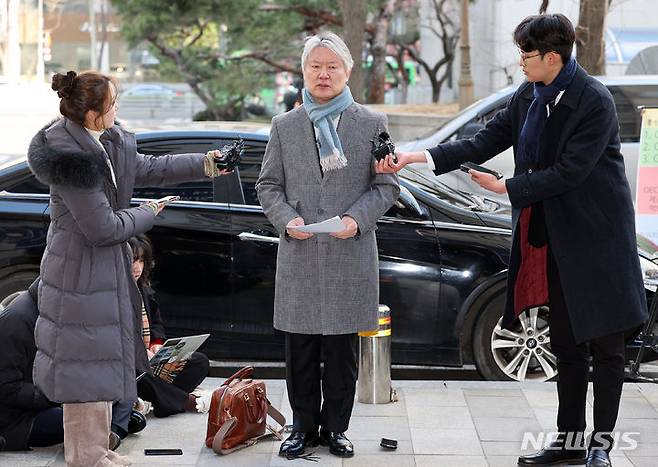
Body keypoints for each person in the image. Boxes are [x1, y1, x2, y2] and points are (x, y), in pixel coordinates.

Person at [376, 14, 647, 467]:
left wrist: (508, 188)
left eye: (525, 54)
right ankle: (568, 443)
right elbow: (482, 140)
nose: (519, 62)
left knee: (606, 348)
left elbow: (570, 172)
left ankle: (599, 448)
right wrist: (414, 157)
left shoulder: (593, 100)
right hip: (554, 240)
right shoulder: (531, 94)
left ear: (551, 57)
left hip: (598, 243)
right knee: (566, 344)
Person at [26, 70, 230, 467]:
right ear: (91, 113)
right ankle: (85, 456)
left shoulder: (105, 140)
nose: (118, 109)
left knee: (101, 365)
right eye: (112, 104)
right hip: (79, 275)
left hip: (101, 272)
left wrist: (207, 164)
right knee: (85, 371)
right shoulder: (71, 157)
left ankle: (97, 450)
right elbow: (102, 228)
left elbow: (150, 167)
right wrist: (147, 213)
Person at [256, 32, 399, 459]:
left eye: (331, 66)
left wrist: (356, 219)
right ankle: (301, 428)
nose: (323, 74)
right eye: (315, 66)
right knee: (299, 350)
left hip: (348, 252)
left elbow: (386, 186)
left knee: (341, 352)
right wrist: (287, 220)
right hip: (300, 252)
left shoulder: (372, 124)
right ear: (303, 71)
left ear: (347, 71)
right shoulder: (285, 126)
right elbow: (267, 185)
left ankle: (336, 428)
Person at [0, 279, 145, 452]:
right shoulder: (17, 321)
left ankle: (108, 430)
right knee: (81, 420)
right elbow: (7, 388)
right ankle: (103, 430)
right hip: (17, 419)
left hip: (52, 399)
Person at [128, 234, 211, 418]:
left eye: (142, 260)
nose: (137, 267)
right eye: (133, 260)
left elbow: (155, 321)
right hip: (129, 364)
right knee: (141, 375)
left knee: (199, 362)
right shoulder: (116, 292)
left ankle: (160, 400)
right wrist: (142, 353)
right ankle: (185, 402)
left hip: (150, 356)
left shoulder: (143, 289)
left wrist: (157, 343)